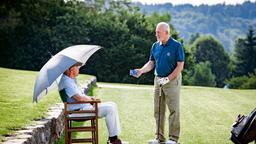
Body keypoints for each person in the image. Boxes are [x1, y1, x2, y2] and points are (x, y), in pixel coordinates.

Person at [133, 22, 185, 144]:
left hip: (172, 81)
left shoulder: (176, 46)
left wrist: (168, 78)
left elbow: (180, 66)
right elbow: (151, 63)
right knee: (158, 110)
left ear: (167, 33)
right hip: (158, 80)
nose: (156, 34)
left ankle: (173, 138)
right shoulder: (155, 46)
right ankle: (159, 138)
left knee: (173, 110)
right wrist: (141, 71)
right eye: (156, 32)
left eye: (158, 32)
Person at [58, 63, 122, 144]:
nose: (79, 69)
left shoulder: (69, 80)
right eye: (77, 67)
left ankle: (113, 138)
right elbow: (79, 98)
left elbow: (81, 97)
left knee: (112, 104)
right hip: (78, 112)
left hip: (83, 109)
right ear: (72, 70)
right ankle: (113, 140)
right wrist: (91, 100)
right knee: (110, 108)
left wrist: (91, 99)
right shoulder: (66, 82)